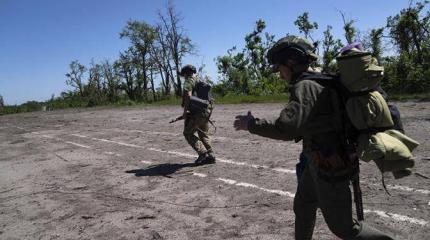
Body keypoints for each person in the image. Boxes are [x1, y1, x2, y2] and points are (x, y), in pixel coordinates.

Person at [233, 36, 395, 239]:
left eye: (280, 68)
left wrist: (251, 124)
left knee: (344, 227)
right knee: (304, 205)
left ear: (291, 62)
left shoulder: (306, 86)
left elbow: (287, 127)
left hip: (331, 164)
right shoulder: (321, 79)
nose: (280, 74)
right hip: (317, 160)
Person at [180, 64, 216, 165]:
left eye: (184, 75)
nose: (184, 77)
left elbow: (188, 96)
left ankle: (203, 153)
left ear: (186, 73)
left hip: (197, 113)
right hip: (207, 112)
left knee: (188, 133)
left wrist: (185, 112)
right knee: (203, 133)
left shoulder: (189, 81)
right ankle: (211, 155)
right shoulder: (201, 80)